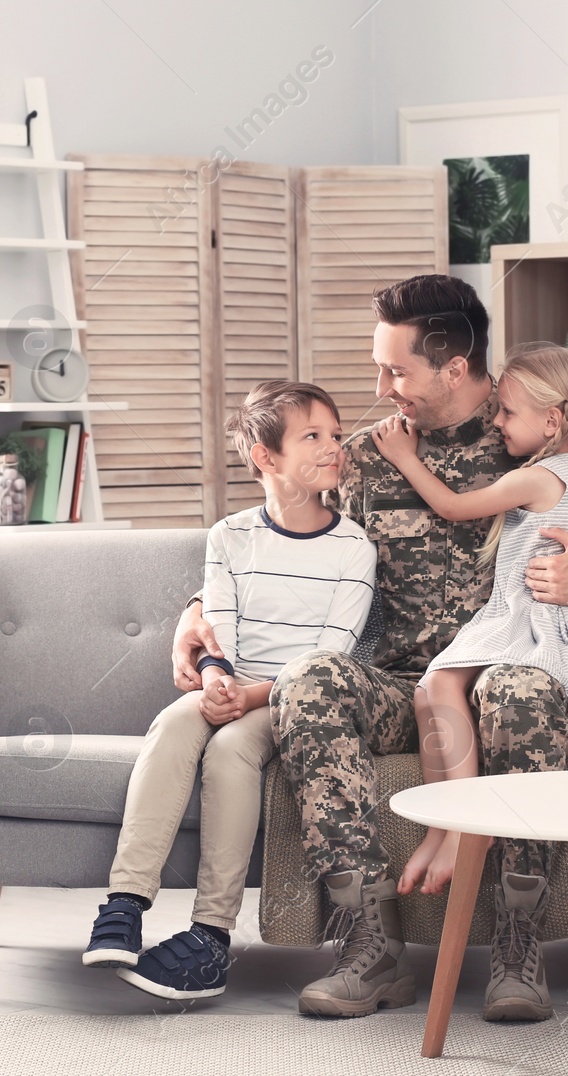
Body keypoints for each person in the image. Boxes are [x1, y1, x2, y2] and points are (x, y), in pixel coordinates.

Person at [171, 274, 568, 1022]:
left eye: (396, 370)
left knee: (520, 692)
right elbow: (268, 534)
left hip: (509, 676)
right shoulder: (367, 458)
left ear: (453, 366)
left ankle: (518, 947)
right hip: (398, 687)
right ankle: (368, 949)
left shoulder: (561, 452)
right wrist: (194, 613)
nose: (381, 389)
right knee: (310, 681)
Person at [83, 380, 377, 1002]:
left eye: (334, 432)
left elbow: (333, 649)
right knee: (172, 724)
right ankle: (124, 905)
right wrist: (216, 676)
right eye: (313, 436)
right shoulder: (230, 536)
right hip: (233, 683)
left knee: (230, 750)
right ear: (265, 458)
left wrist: (252, 697)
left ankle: (211, 937)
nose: (334, 447)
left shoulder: (353, 545)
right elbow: (220, 623)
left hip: (294, 697)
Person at [369, 343, 568, 899]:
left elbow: (455, 507)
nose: (497, 421)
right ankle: (444, 824)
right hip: (524, 611)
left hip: (540, 620)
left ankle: (462, 828)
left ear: (551, 421)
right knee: (431, 688)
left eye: (508, 412)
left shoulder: (545, 476)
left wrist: (406, 459)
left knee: (438, 685)